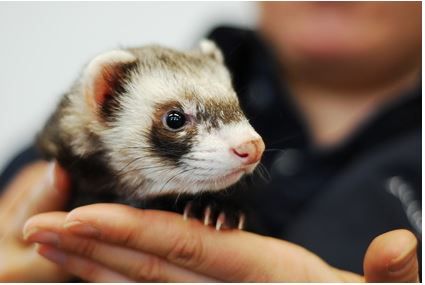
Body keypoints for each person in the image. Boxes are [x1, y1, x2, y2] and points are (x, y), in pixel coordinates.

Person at [0, 2, 421, 282]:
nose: (250, 143)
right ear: (105, 101)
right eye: (176, 121)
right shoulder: (35, 169)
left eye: (236, 112)